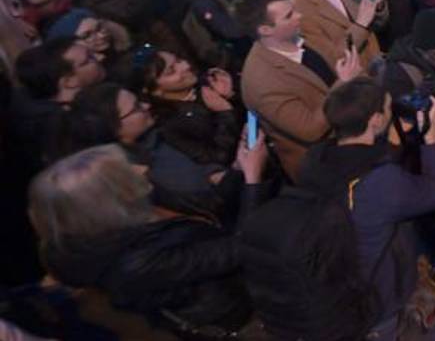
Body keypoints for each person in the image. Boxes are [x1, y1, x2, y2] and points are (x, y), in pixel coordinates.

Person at [29, 141, 265, 337]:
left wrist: (238, 170)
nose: (141, 168)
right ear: (109, 201)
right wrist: (252, 180)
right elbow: (244, 249)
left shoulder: (138, 203)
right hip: (244, 311)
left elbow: (211, 208)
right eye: (126, 172)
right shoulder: (134, 263)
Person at [299, 78, 435, 341]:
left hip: (339, 284)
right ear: (376, 120)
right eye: (389, 108)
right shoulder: (381, 183)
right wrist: (431, 137)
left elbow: (363, 166)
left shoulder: (314, 160)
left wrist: (393, 143)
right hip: (379, 301)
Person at [235, 0, 361, 179]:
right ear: (265, 30)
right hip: (329, 164)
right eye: (289, 16)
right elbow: (310, 130)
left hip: (357, 129)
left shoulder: (299, 35)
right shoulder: (261, 81)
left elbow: (337, 58)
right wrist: (343, 83)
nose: (299, 16)